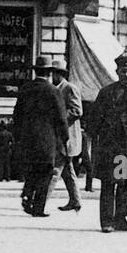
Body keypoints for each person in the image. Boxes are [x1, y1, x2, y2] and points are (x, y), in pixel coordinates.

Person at [91, 52, 127, 233]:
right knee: (109, 184)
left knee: (125, 184)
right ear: (117, 71)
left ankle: (121, 219)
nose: (126, 75)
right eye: (123, 71)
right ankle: (107, 221)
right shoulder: (107, 92)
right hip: (111, 147)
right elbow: (95, 120)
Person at [12, 55, 67, 218]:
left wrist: (18, 137)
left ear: (36, 72)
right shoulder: (54, 91)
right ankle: (38, 207)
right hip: (47, 140)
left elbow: (16, 116)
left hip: (27, 140)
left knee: (31, 170)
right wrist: (64, 139)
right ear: (49, 73)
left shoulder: (25, 89)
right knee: (45, 173)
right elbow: (61, 119)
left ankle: (27, 194)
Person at [51, 58, 84, 213]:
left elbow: (77, 111)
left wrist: (59, 118)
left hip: (68, 138)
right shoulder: (55, 88)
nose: (51, 76)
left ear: (60, 74)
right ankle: (75, 201)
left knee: (55, 171)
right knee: (67, 171)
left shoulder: (70, 88)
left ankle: (41, 202)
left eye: (54, 73)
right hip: (60, 137)